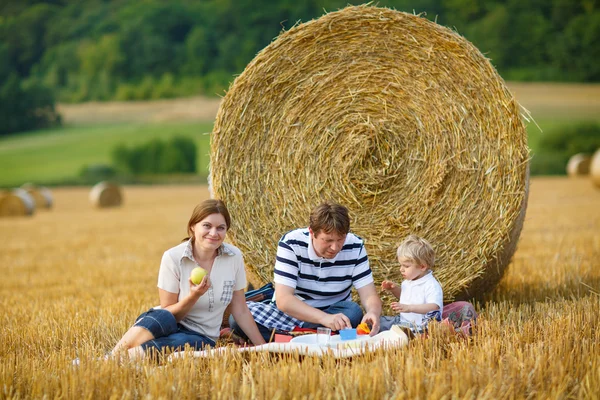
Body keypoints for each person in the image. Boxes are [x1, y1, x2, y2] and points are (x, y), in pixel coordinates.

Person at [105, 199, 265, 361]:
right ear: (192, 227)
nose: (214, 233)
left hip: (202, 335)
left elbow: (240, 309)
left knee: (170, 344)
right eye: (207, 226)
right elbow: (169, 312)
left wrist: (262, 348)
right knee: (162, 315)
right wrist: (193, 296)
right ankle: (110, 359)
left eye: (220, 228)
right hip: (170, 321)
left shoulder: (234, 256)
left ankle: (114, 361)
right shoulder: (173, 257)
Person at [230, 201, 382, 342]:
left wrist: (373, 312)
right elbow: (284, 301)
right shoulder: (291, 244)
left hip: (334, 312)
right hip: (294, 312)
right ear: (311, 232)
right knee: (237, 319)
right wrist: (323, 319)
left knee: (353, 312)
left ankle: (289, 339)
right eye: (327, 240)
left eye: (340, 239)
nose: (335, 247)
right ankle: (321, 338)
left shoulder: (355, 245)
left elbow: (369, 294)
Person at [379, 234, 443, 334]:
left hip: (420, 326)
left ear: (422, 267)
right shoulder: (408, 281)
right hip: (403, 320)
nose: (401, 269)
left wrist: (409, 308)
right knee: (378, 322)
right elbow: (406, 297)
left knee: (396, 334)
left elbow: (434, 307)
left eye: (406, 266)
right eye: (401, 265)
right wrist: (394, 289)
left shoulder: (431, 285)